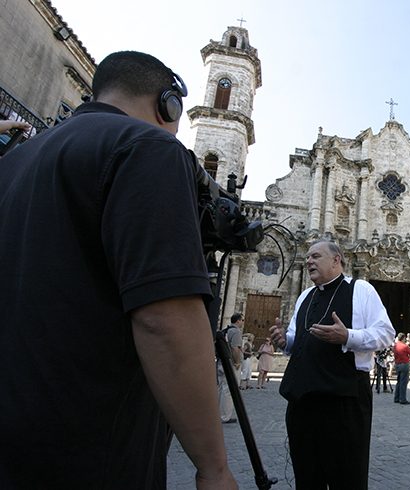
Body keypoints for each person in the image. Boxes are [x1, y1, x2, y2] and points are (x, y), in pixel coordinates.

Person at [0, 51, 237, 490]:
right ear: (169, 104)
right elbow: (163, 319)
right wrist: (213, 467)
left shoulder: (12, 161)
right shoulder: (149, 147)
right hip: (87, 450)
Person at [269, 240, 394, 490]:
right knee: (307, 478)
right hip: (302, 400)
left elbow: (386, 334)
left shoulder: (362, 290)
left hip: (343, 400)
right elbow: (298, 340)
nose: (308, 261)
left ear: (336, 260)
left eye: (315, 256)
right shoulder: (305, 295)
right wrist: (285, 341)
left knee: (346, 478)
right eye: (307, 257)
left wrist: (348, 336)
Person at [218, 313, 244, 423]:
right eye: (242, 320)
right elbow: (235, 348)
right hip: (231, 364)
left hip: (221, 362)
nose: (243, 322)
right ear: (238, 321)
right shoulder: (236, 331)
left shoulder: (226, 330)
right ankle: (224, 416)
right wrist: (237, 363)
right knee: (228, 390)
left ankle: (217, 414)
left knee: (221, 389)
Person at [393, 332, 410, 404]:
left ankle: (396, 398)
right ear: (404, 338)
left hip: (397, 364)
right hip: (404, 364)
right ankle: (402, 399)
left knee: (398, 381)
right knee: (403, 382)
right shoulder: (405, 346)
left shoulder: (395, 346)